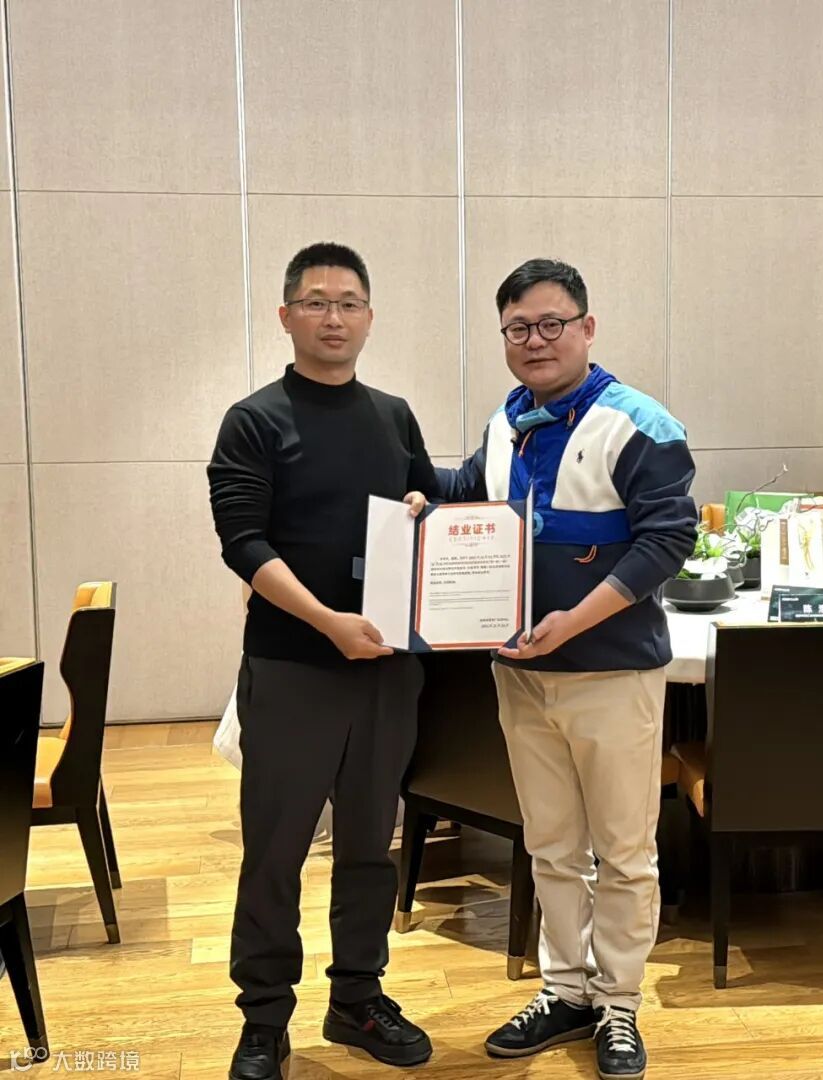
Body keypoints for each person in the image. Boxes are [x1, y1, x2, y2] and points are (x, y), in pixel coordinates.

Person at [436, 259, 697, 1080]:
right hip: (519, 674)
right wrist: (422, 503)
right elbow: (471, 495)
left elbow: (669, 539)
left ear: (587, 328)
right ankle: (566, 990)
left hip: (611, 675)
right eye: (518, 327)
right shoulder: (505, 422)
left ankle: (618, 1005)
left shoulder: (639, 424)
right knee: (550, 845)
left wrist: (572, 623)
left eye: (552, 324)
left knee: (624, 851)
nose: (535, 340)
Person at [208, 243, 438, 1080]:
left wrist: (424, 505)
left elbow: (428, 508)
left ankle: (357, 998)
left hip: (385, 669)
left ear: (369, 318)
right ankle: (264, 1018)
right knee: (276, 852)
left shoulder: (394, 415)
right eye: (315, 302)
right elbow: (244, 542)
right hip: (292, 668)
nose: (332, 317)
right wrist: (326, 621)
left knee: (372, 847)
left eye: (348, 303)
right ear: (286, 316)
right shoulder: (254, 419)